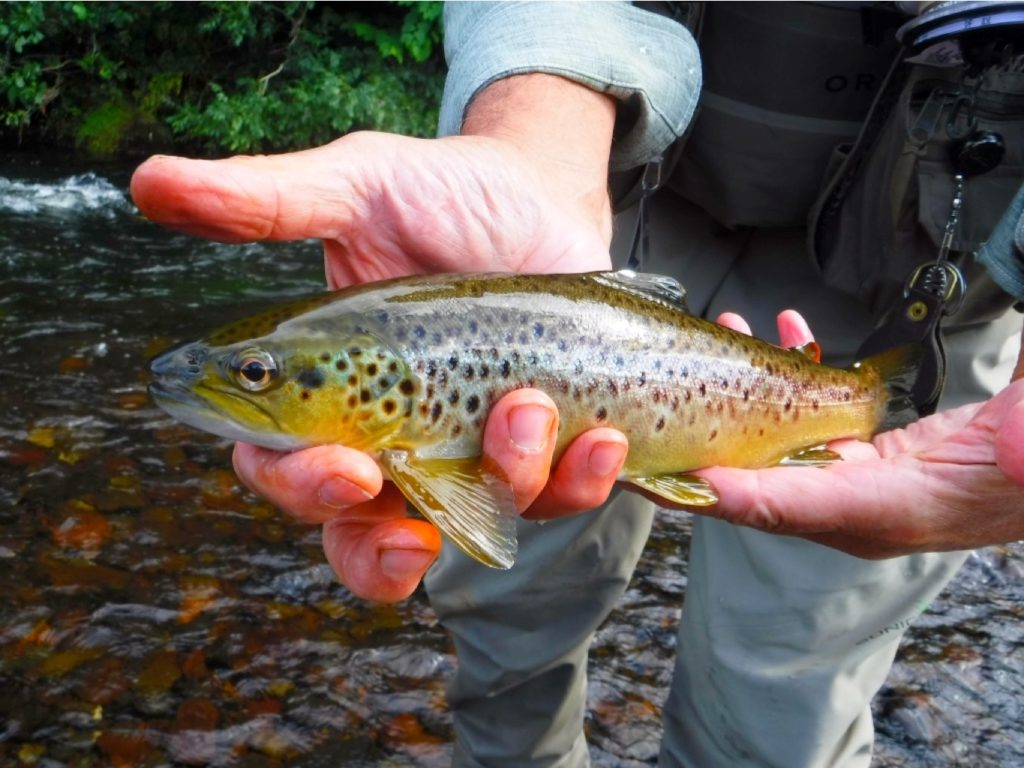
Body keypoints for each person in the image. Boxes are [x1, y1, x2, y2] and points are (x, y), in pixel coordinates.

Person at [131, 2, 1024, 765]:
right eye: (257, 373)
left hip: (938, 273)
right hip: (608, 207)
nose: (238, 384)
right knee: (506, 611)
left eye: (257, 375)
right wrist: (536, 144)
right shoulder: (423, 345)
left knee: (786, 680)